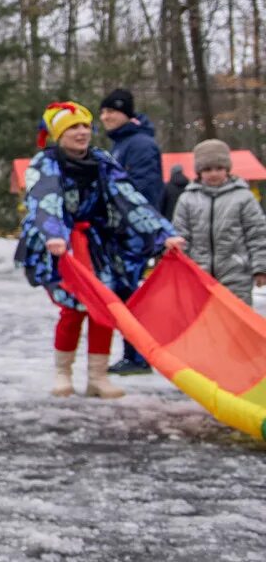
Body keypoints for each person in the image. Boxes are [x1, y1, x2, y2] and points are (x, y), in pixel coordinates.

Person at [21, 102, 182, 399]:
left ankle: (97, 376)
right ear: (59, 133)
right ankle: (63, 373)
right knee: (72, 310)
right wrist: (55, 235)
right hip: (60, 247)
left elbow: (129, 196)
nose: (82, 132)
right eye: (73, 127)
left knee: (103, 308)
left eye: (85, 126)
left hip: (97, 246)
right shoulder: (45, 163)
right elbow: (45, 200)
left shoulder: (102, 161)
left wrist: (162, 234)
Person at [99, 88, 164, 373]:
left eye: (111, 111)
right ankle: (133, 353)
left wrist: (135, 229)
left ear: (126, 113)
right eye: (103, 112)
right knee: (123, 293)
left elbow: (142, 191)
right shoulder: (121, 144)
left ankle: (138, 356)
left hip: (133, 233)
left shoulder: (139, 145)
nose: (106, 117)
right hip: (121, 232)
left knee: (129, 293)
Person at [173, 139, 266, 307]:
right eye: (207, 169)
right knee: (204, 321)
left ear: (227, 169)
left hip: (236, 274)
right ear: (199, 171)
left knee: (236, 321)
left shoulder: (243, 197)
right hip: (199, 274)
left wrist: (261, 267)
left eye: (219, 168)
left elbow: (257, 234)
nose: (213, 173)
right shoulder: (187, 199)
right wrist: (180, 267)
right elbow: (181, 235)